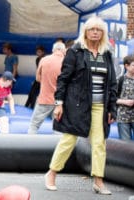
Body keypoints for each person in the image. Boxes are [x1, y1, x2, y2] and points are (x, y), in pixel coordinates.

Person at [45, 16, 117, 195]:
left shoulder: (106, 53)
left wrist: (112, 108)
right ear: (85, 31)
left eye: (98, 30)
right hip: (77, 105)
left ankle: (98, 181)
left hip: (100, 106)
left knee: (100, 144)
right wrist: (59, 103)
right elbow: (63, 79)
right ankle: (51, 173)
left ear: (103, 33)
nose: (95, 32)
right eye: (91, 29)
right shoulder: (76, 51)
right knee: (69, 140)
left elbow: (113, 83)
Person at [27, 42, 66, 134]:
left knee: (34, 125)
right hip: (60, 102)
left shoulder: (44, 60)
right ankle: (57, 148)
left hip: (45, 99)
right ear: (64, 50)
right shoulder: (67, 61)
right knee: (57, 128)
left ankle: (29, 146)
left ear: (53, 50)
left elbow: (38, 79)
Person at [116, 54, 134, 141]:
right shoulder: (120, 80)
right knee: (125, 145)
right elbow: (112, 98)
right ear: (126, 66)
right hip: (123, 118)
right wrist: (124, 102)